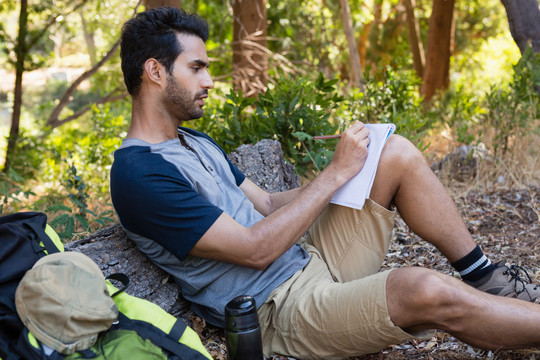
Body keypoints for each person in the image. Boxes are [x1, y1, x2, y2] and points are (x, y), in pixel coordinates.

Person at [110, 7, 540, 360]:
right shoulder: (139, 174)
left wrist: (354, 167)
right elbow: (254, 250)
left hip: (309, 259)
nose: (208, 81)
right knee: (424, 288)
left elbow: (266, 204)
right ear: (154, 71)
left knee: (392, 154)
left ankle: (485, 276)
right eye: (197, 68)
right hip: (278, 311)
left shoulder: (193, 141)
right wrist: (335, 174)